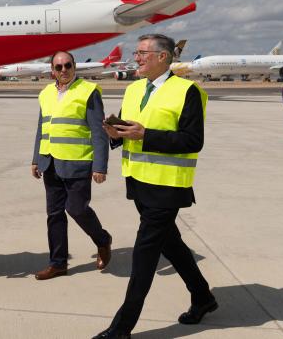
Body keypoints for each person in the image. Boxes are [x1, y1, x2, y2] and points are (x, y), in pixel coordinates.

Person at [93, 34, 217, 339]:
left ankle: (122, 328)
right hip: (139, 181)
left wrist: (145, 135)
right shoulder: (134, 88)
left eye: (142, 53)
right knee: (170, 243)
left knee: (145, 254)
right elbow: (130, 130)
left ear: (163, 57)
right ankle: (203, 297)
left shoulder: (188, 91)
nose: (136, 57)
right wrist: (115, 132)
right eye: (137, 52)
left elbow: (192, 141)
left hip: (167, 186)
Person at [30, 50, 112, 280]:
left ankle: (102, 239)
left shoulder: (88, 92)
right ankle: (58, 264)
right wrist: (36, 158)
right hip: (50, 162)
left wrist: (100, 165)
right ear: (52, 71)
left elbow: (99, 131)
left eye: (68, 65)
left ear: (75, 66)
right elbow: (41, 128)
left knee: (76, 209)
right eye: (58, 67)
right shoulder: (46, 93)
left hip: (78, 162)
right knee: (54, 214)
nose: (63, 70)